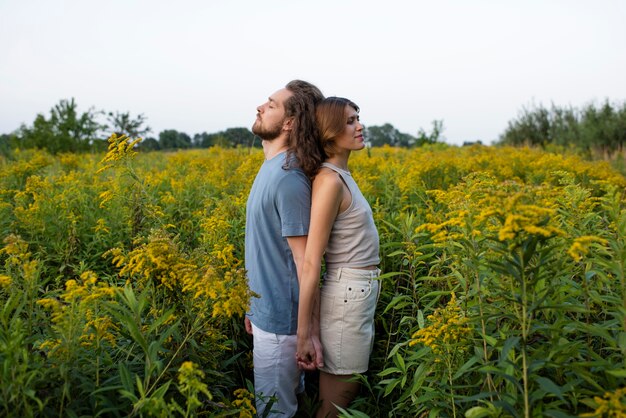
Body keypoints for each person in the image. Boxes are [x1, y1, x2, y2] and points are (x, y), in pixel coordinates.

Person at [296, 97, 381, 418]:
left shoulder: (341, 175)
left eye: (358, 118)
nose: (359, 126)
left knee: (340, 396)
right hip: (347, 294)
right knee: (335, 407)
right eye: (349, 121)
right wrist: (305, 333)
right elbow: (311, 260)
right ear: (328, 131)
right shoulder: (329, 180)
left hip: (357, 292)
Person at [244, 80, 325, 417]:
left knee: (274, 412)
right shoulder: (271, 169)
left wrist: (307, 335)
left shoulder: (288, 179)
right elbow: (264, 248)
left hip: (282, 326)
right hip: (266, 316)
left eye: (272, 104)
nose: (261, 107)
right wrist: (251, 307)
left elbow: (306, 263)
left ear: (290, 123)